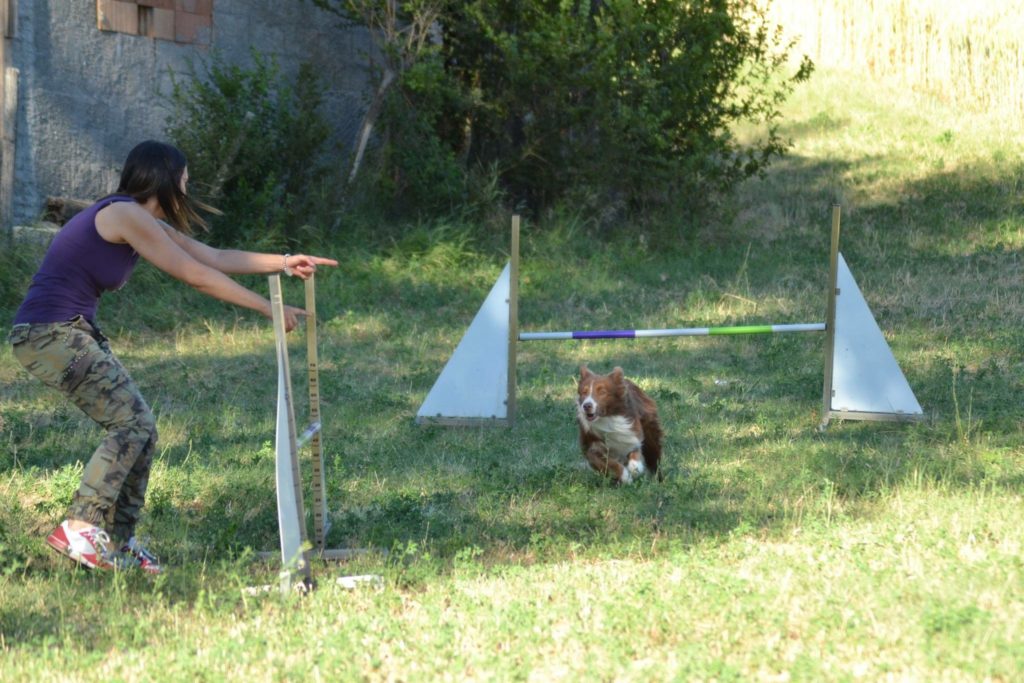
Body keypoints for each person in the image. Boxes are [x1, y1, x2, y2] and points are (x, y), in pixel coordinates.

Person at [7, 140, 338, 574]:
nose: (186, 188)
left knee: (142, 429)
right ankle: (80, 528)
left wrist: (283, 262)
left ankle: (119, 542)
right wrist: (267, 307)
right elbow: (197, 276)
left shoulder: (141, 219)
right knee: (130, 424)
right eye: (184, 179)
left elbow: (214, 257)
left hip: (66, 332)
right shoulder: (125, 214)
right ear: (164, 179)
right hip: (48, 333)